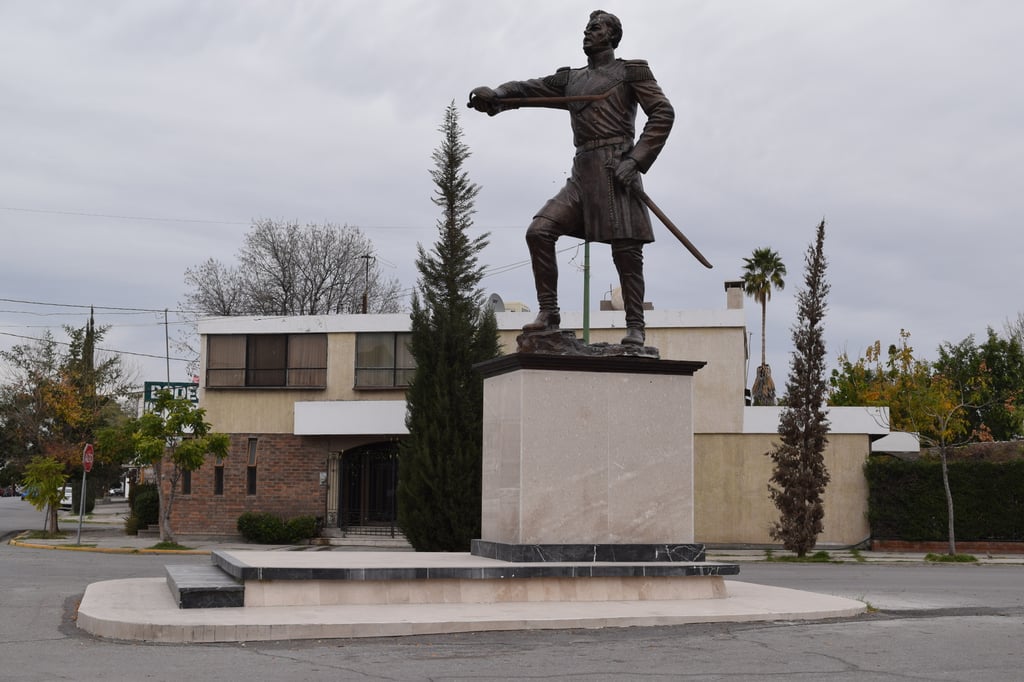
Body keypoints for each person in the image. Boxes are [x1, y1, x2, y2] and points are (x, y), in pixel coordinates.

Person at [469, 10, 674, 346]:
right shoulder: (571, 79)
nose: (587, 32)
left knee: (627, 253)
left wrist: (636, 160)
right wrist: (497, 96)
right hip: (582, 174)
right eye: (586, 28)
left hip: (616, 171)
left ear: (612, 35)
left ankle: (635, 326)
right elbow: (528, 90)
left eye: (595, 28)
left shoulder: (630, 71)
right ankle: (549, 313)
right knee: (539, 231)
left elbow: (663, 113)